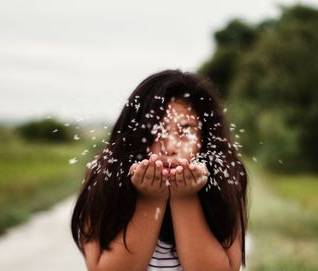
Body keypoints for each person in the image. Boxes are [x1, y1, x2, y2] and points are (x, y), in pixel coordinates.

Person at [71, 69, 248, 271]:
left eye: (185, 130)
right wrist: (151, 199)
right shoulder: (104, 177)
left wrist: (184, 197)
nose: (170, 147)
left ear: (205, 139)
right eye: (156, 130)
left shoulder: (225, 179)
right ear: (135, 134)